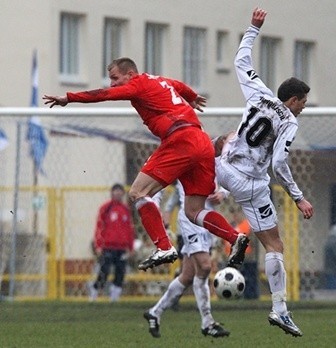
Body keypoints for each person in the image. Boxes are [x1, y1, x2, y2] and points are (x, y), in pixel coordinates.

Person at [43, 58, 249, 272]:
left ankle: (164, 247)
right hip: (201, 140)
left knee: (137, 192)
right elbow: (178, 85)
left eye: (115, 78)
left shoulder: (137, 85)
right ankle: (235, 238)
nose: (112, 83)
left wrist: (68, 98)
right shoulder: (158, 80)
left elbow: (104, 95)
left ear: (130, 73)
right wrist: (192, 97)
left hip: (180, 139)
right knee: (194, 211)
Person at [215, 8, 314, 337]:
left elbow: (241, 62)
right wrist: (298, 197)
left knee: (206, 159)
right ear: (294, 99)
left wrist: (253, 28)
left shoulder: (258, 93)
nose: (303, 108)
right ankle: (280, 309)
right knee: (274, 246)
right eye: (302, 102)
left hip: (223, 167)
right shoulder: (288, 120)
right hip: (251, 184)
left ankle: (222, 220)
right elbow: (279, 164)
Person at [144, 178, 230, 338]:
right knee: (205, 267)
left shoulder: (218, 157)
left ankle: (154, 312)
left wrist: (223, 193)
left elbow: (228, 178)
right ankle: (207, 322)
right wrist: (156, 207)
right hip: (190, 221)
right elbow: (161, 180)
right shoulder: (187, 156)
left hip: (207, 220)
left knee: (187, 275)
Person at [89, 183, 135, 302]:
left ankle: (114, 297)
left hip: (122, 247)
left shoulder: (125, 209)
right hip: (108, 246)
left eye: (120, 191)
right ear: (112, 193)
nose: (118, 193)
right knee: (105, 270)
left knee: (120, 271)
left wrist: (131, 247)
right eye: (116, 191)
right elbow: (99, 227)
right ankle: (94, 292)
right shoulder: (106, 208)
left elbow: (130, 230)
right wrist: (98, 245)